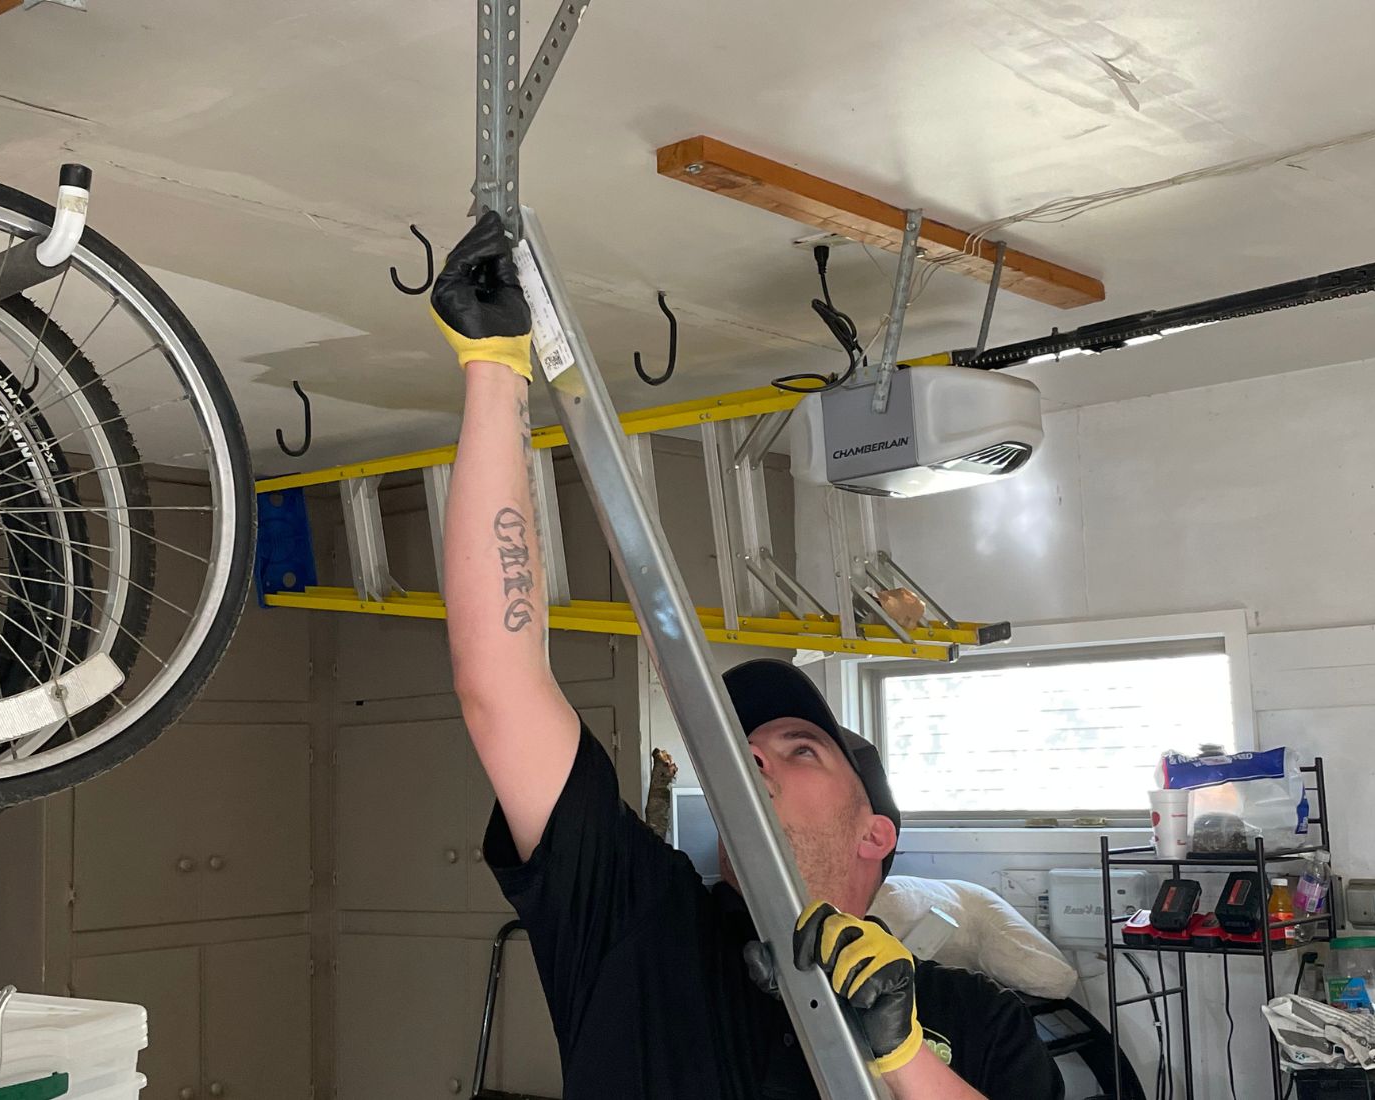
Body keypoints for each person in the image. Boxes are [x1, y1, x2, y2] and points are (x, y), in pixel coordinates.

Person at [432, 210, 1064, 1100]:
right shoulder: (637, 921)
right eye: (743, 751)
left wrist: (900, 1054)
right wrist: (494, 371)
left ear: (876, 834)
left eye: (798, 748)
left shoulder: (970, 1016)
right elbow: (501, 687)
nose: (755, 759)